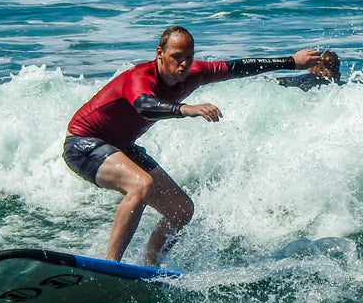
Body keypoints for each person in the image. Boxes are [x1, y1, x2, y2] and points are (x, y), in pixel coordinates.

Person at [64, 26, 321, 266]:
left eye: (189, 56)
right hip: (84, 143)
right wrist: (185, 109)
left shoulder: (195, 73)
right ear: (160, 54)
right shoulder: (141, 77)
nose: (184, 64)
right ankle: (111, 266)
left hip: (121, 145)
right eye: (177, 56)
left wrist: (290, 62)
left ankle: (148, 267)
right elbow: (144, 105)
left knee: (181, 210)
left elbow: (239, 66)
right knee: (141, 184)